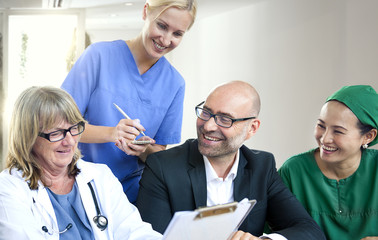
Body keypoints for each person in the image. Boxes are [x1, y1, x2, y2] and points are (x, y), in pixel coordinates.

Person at [136, 81, 326, 240]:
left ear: (252, 128)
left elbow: (309, 231)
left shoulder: (262, 166)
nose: (208, 125)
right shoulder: (162, 166)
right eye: (206, 112)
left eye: (225, 119)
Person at [61, 0, 197, 204]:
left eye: (177, 34)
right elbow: (60, 126)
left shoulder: (175, 83)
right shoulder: (98, 56)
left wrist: (143, 149)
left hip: (131, 195)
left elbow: (158, 154)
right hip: (79, 183)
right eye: (161, 26)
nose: (166, 39)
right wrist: (112, 133)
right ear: (145, 12)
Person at [0, 86, 162, 240]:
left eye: (74, 128)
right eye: (56, 133)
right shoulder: (9, 187)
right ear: (29, 137)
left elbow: (135, 231)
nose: (69, 141)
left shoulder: (100, 176)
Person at [279, 85, 378, 240]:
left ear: (368, 136)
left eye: (338, 131)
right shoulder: (293, 171)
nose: (324, 139)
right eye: (321, 125)